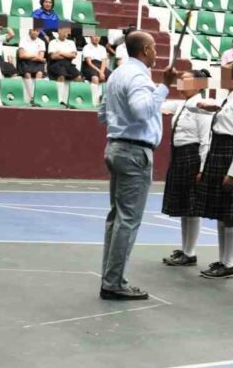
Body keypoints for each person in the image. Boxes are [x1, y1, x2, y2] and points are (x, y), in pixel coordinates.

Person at [97, 30, 177, 300]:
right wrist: (163, 87)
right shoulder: (140, 76)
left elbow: (101, 114)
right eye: (153, 48)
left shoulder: (117, 73)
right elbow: (142, 111)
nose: (156, 52)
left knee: (115, 218)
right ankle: (114, 282)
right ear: (144, 50)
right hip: (134, 151)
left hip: (116, 146)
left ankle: (110, 277)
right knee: (128, 220)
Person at [188, 64, 233, 280]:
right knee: (221, 213)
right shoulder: (227, 101)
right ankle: (222, 259)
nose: (220, 78)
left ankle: (229, 263)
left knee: (230, 214)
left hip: (228, 156)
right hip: (218, 153)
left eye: (225, 74)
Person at [161, 70, 213, 267]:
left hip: (192, 157)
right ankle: (185, 249)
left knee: (192, 208)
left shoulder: (202, 107)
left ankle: (190, 252)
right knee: (184, 207)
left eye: (186, 81)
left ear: (199, 85)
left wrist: (202, 167)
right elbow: (159, 104)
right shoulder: (182, 104)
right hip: (179, 155)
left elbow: (205, 140)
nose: (181, 84)